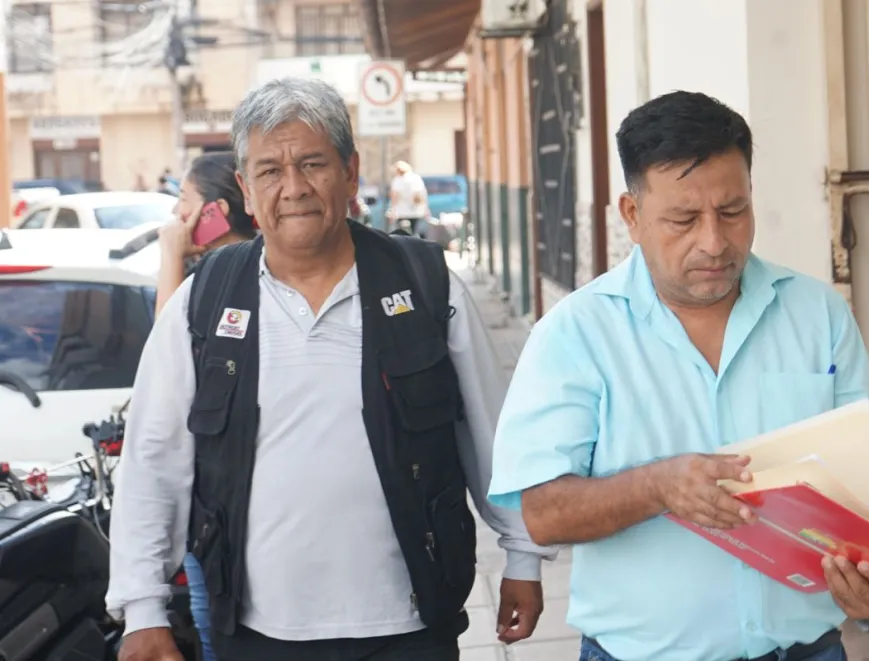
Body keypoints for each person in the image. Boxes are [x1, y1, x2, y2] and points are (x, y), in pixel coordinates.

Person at [108, 77, 553, 661]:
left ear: (349, 172)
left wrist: (522, 554)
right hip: (258, 632)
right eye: (269, 170)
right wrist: (143, 607)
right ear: (245, 188)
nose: (292, 187)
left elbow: (490, 433)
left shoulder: (424, 283)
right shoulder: (204, 302)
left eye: (312, 163)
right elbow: (152, 460)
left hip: (411, 624)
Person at [487, 91, 869, 661]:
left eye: (732, 212)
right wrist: (657, 487)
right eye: (683, 219)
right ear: (632, 216)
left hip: (809, 650)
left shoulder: (817, 315)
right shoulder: (574, 335)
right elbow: (543, 512)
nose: (713, 241)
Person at [153, 151, 256, 661]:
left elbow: (163, 365)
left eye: (185, 202)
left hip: (217, 510)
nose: (176, 216)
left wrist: (170, 255)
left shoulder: (216, 281)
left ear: (213, 212)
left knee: (216, 631)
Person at [156, 151, 256, 315]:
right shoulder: (260, 258)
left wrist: (171, 255)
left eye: (183, 199)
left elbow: (166, 336)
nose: (175, 210)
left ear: (217, 209)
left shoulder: (220, 276)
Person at [388, 160, 429, 237]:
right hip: (416, 211)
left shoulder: (397, 180)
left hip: (401, 212)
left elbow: (394, 196)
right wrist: (425, 209)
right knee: (415, 232)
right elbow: (422, 195)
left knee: (401, 234)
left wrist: (392, 211)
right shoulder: (416, 178)